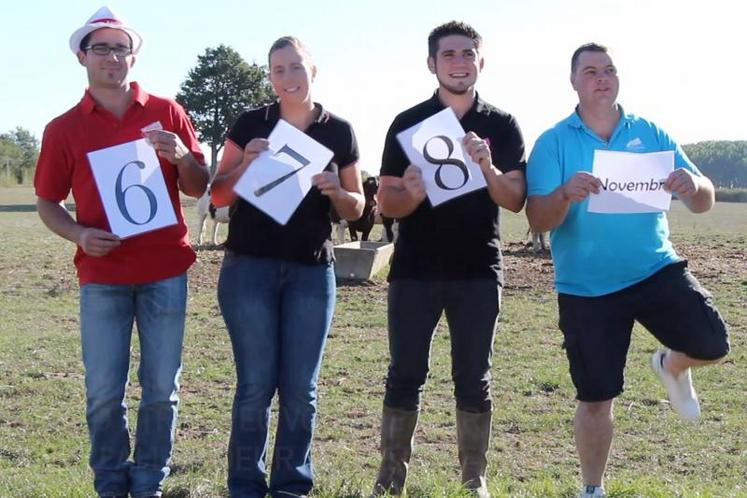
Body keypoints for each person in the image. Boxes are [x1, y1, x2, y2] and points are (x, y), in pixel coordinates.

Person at [525, 43, 730, 498]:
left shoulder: (650, 131)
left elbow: (704, 198)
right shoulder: (554, 142)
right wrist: (563, 195)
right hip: (586, 288)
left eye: (610, 70)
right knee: (596, 398)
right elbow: (538, 219)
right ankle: (593, 489)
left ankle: (670, 364)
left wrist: (692, 184)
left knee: (713, 341)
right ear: (574, 81)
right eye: (591, 70)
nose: (602, 77)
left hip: (655, 269)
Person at [33, 6, 208, 498]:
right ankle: (110, 482)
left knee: (161, 390)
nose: (112, 57)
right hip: (101, 275)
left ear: (134, 56)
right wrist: (78, 235)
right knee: (104, 392)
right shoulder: (63, 128)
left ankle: (150, 478)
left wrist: (180, 157)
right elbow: (47, 201)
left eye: (120, 48)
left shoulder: (167, 112)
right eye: (101, 48)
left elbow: (199, 187)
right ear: (82, 57)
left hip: (165, 269)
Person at [369, 21, 526, 498]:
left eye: (467, 53)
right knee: (405, 373)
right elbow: (386, 204)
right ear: (432, 64)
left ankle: (472, 481)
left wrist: (487, 166)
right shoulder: (407, 122)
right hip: (415, 269)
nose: (460, 61)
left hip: (478, 270)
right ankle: (390, 479)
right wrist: (411, 194)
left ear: (481, 60)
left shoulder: (502, 124)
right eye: (449, 54)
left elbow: (515, 199)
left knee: (474, 377)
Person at [210, 36, 364, 498]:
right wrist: (246, 164)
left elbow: (357, 209)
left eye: (295, 67)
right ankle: (245, 486)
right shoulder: (250, 124)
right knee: (255, 385)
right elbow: (217, 195)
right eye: (278, 70)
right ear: (270, 77)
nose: (288, 77)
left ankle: (292, 486)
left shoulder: (339, 131)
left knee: (301, 390)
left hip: (311, 272)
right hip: (248, 268)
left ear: (313, 71)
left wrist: (337, 189)